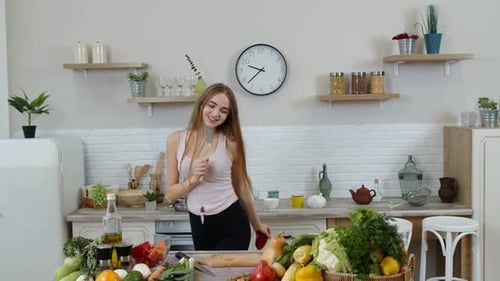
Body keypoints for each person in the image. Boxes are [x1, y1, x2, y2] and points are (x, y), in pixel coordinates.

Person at [165, 82, 269, 250]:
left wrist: (257, 224)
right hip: (198, 223)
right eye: (211, 106)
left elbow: (241, 187)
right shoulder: (175, 140)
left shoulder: (231, 143)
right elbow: (170, 194)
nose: (215, 114)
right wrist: (193, 180)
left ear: (228, 115)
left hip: (231, 222)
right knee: (205, 276)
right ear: (201, 104)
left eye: (223, 110)